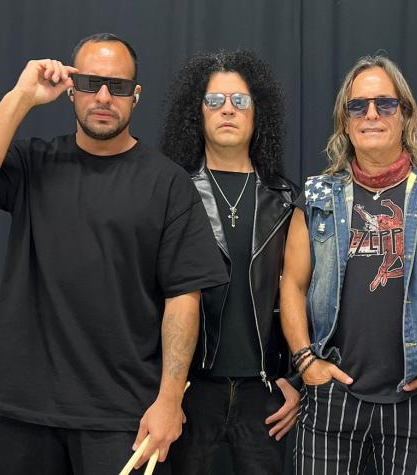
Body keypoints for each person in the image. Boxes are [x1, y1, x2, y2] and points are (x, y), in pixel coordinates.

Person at [0, 33, 228, 475]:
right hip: (28, 408)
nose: (104, 97)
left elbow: (184, 298)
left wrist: (169, 401)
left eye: (118, 86)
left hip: (124, 416)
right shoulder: (34, 163)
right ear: (71, 88)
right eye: (91, 82)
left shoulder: (167, 184)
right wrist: (21, 97)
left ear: (136, 95)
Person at [280, 55, 417, 475]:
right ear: (345, 121)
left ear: (406, 115)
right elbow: (292, 285)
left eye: (386, 104)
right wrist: (306, 362)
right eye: (358, 106)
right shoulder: (316, 198)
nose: (372, 115)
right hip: (332, 399)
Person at [160, 50, 300, 475]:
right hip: (189, 391)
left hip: (266, 395)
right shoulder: (171, 194)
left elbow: (306, 293)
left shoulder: (287, 199)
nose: (227, 111)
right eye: (215, 101)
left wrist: (296, 380)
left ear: (259, 114)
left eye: (240, 101)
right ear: (195, 113)